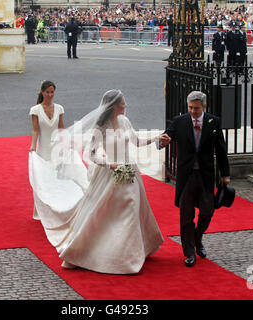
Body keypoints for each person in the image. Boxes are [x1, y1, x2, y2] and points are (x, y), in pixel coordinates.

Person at [28, 89, 164, 274]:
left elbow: (136, 141)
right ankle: (106, 252)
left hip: (130, 172)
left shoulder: (124, 121)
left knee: (133, 208)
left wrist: (157, 138)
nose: (126, 105)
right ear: (114, 106)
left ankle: (131, 253)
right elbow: (91, 154)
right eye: (123, 103)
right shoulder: (100, 127)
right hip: (111, 172)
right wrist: (111, 165)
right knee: (103, 213)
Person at [158, 91, 230, 267]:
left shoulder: (214, 122)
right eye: (190, 107)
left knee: (208, 211)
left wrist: (225, 174)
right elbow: (166, 137)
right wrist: (163, 141)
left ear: (204, 107)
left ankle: (197, 238)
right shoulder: (179, 121)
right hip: (186, 176)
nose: (192, 111)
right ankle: (189, 252)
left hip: (205, 175)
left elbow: (221, 150)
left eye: (196, 108)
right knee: (186, 216)